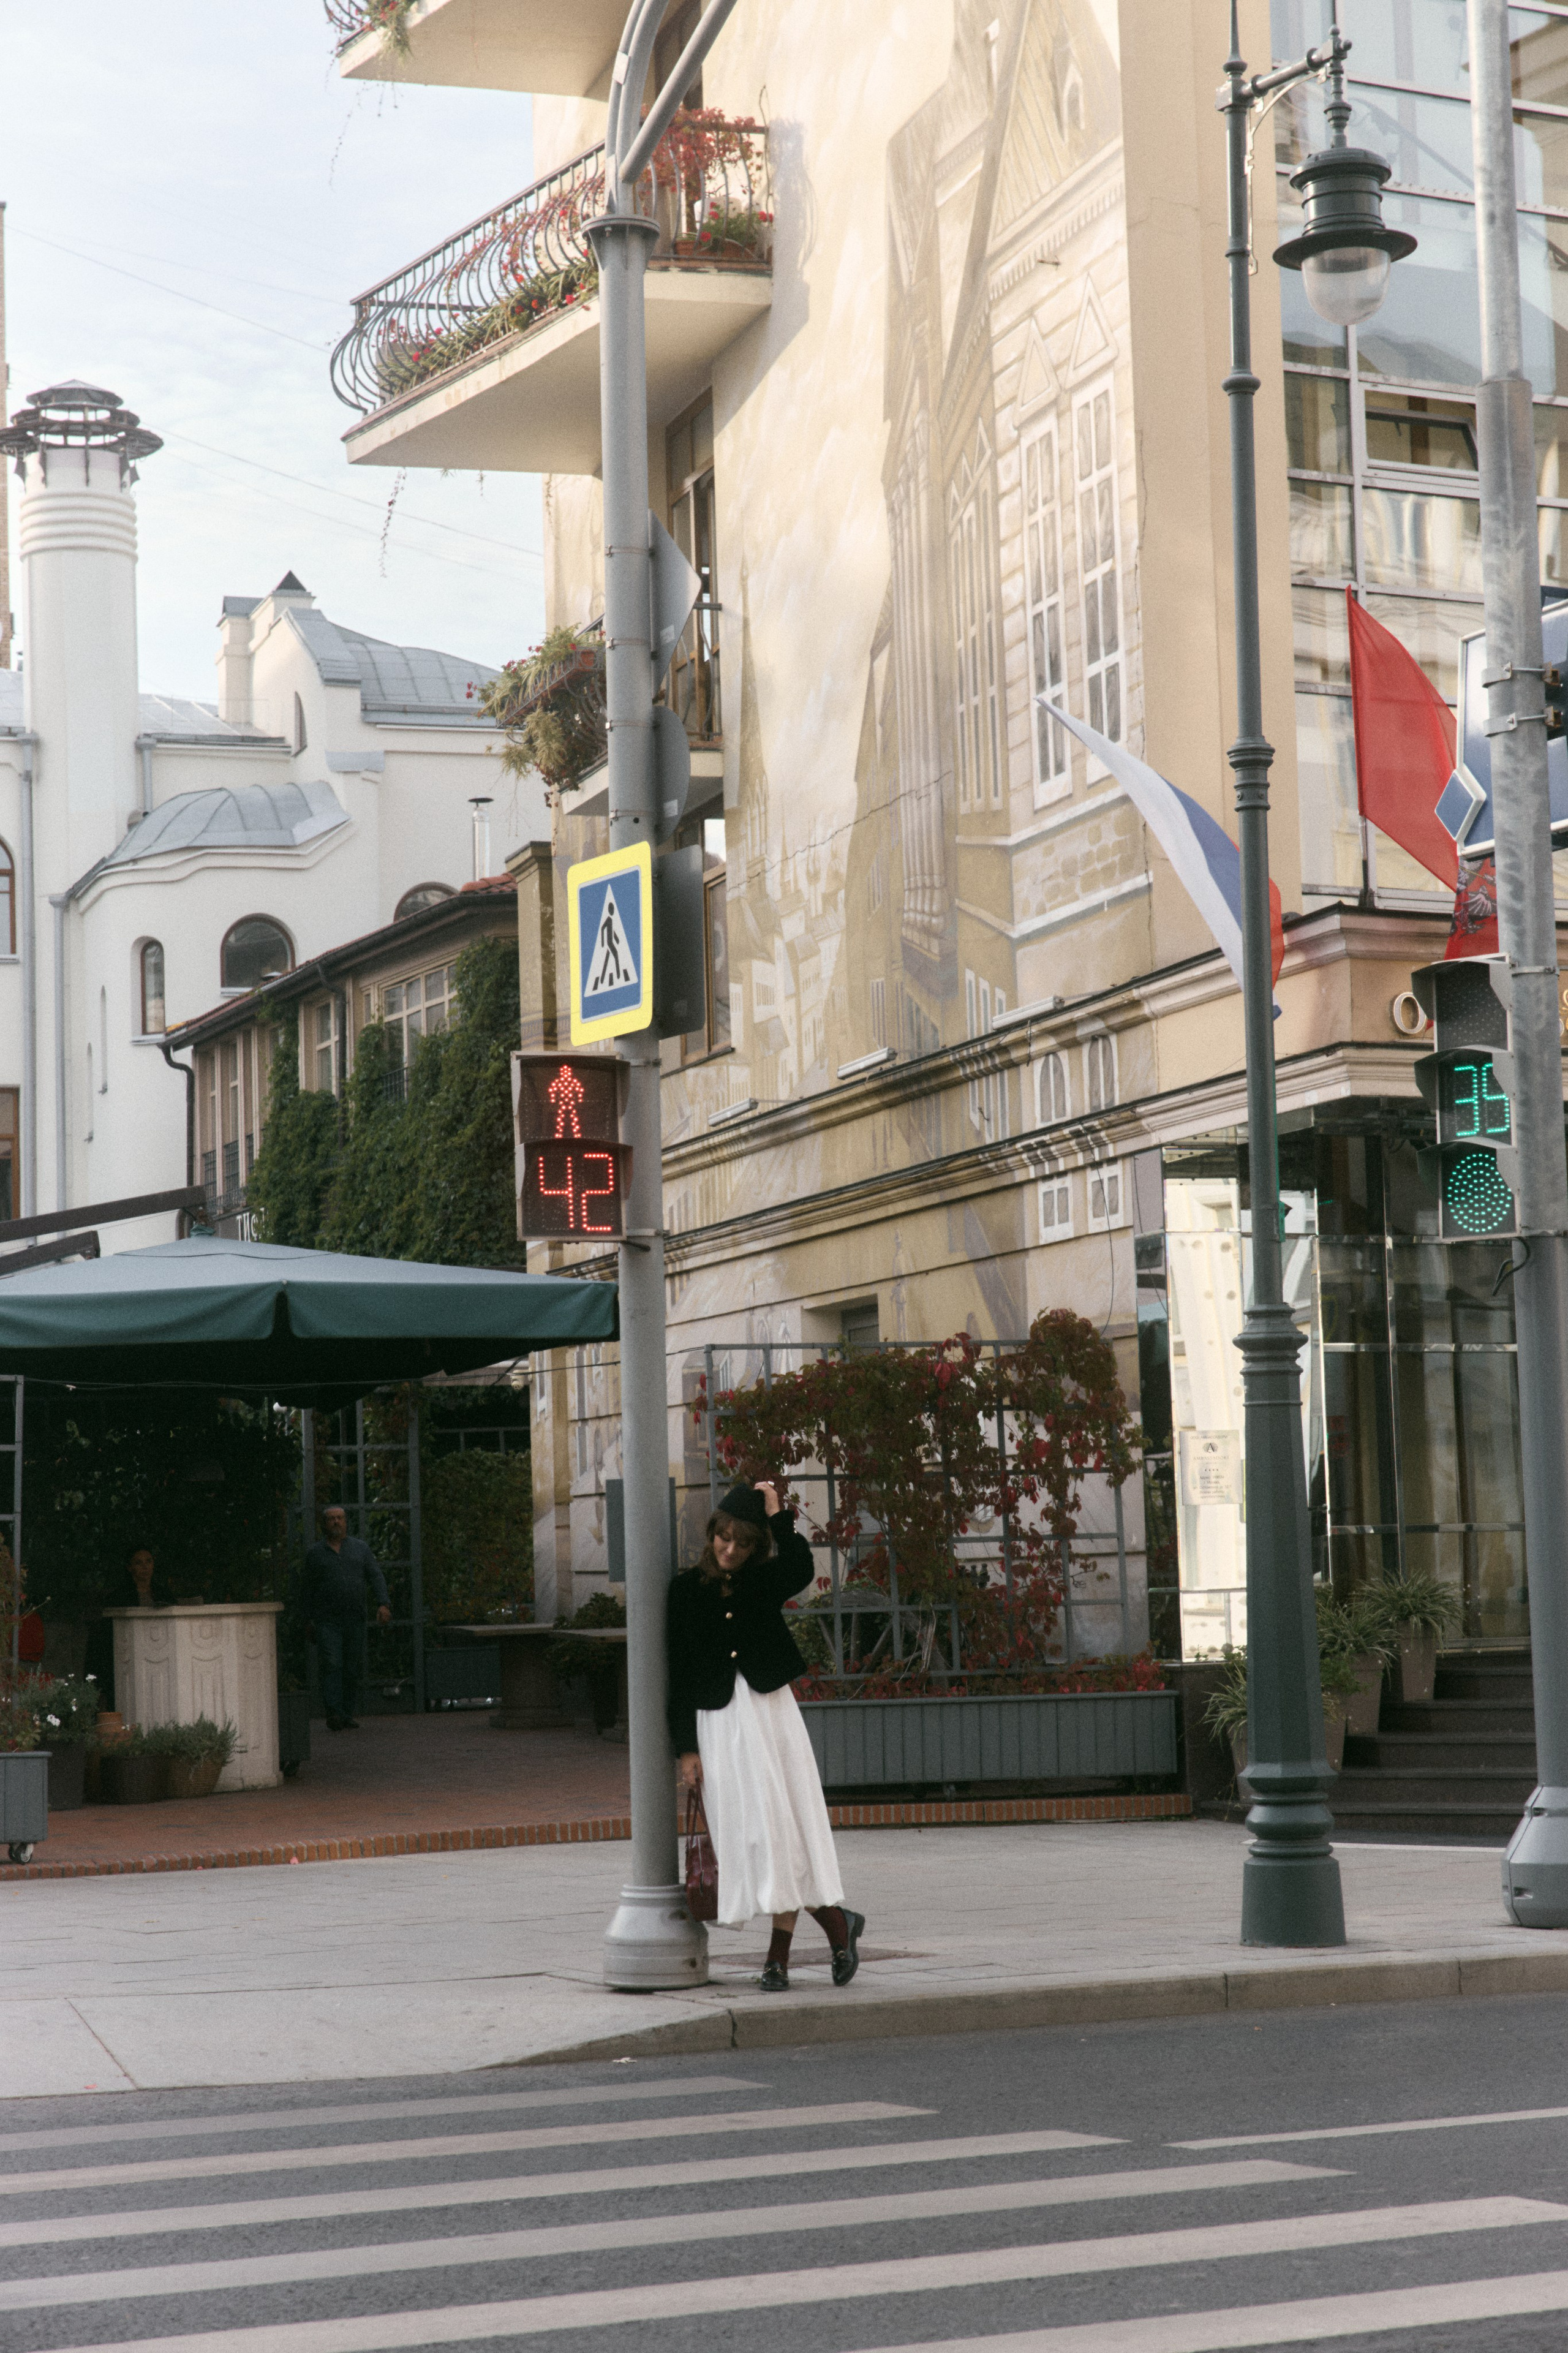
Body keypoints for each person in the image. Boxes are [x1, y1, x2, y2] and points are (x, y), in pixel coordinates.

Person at [667, 1480, 864, 1993]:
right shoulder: (685, 1589)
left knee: (781, 1828)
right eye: (724, 1538)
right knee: (753, 1837)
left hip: (770, 1713)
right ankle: (838, 1926)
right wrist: (685, 1749)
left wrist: (779, 1513)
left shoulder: (762, 1579)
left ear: (756, 1546)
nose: (731, 1550)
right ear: (712, 1533)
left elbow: (802, 1567)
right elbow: (680, 1673)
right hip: (717, 1722)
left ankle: (779, 1959)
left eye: (743, 1543)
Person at [301, 1505, 391, 1731]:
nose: (336, 1522)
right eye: (331, 1519)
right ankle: (334, 1713)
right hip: (327, 1619)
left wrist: (383, 1603)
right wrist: (307, 1619)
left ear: (346, 1522)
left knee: (351, 1667)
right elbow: (306, 1589)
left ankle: (347, 1713)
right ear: (324, 1524)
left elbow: (375, 1575)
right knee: (332, 1664)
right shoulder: (315, 1554)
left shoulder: (360, 1549)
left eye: (339, 1518)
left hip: (354, 1617)